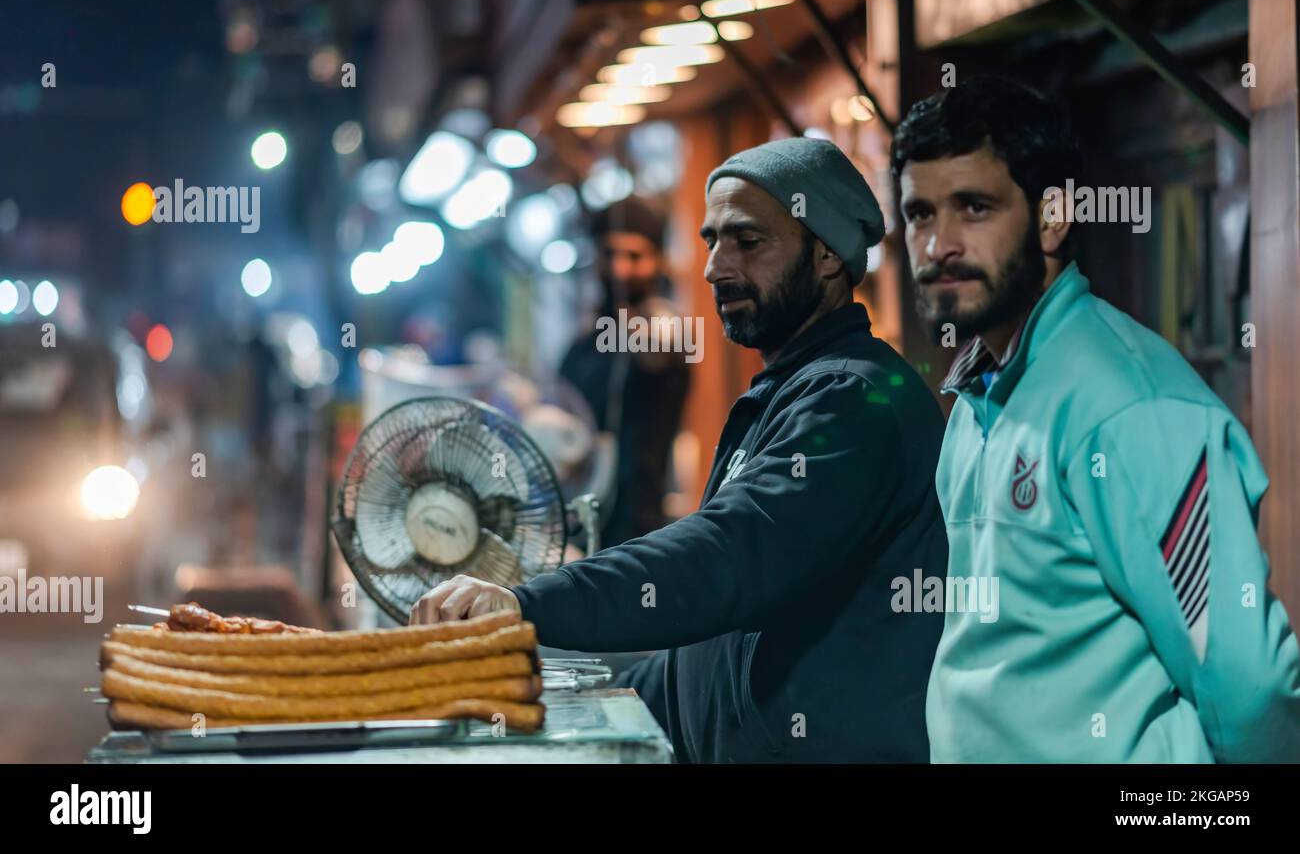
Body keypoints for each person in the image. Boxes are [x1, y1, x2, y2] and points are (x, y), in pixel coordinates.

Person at [412, 137, 949, 762]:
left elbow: (729, 554)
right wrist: (588, 696)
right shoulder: (784, 395)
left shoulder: (855, 399)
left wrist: (528, 603)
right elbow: (711, 653)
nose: (716, 267)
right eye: (710, 240)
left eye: (747, 241)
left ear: (827, 254)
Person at [893, 74, 1300, 762]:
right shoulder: (978, 395)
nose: (939, 245)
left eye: (974, 207)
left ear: (1052, 217)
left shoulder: (1131, 407)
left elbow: (1250, 686)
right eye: (920, 214)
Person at [559, 197, 689, 548]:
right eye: (610, 254)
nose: (619, 269)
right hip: (578, 519)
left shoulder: (668, 327)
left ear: (658, 261)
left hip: (637, 525)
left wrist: (628, 319)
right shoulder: (584, 339)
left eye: (634, 256)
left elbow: (657, 356)